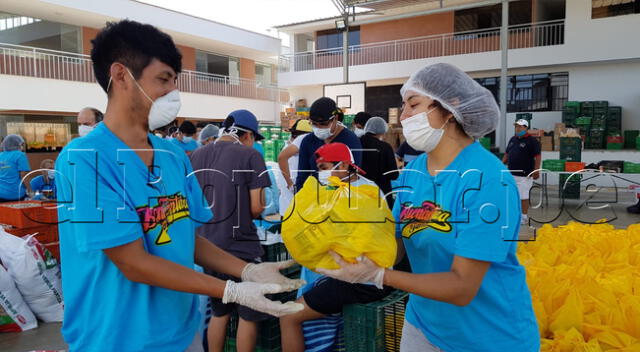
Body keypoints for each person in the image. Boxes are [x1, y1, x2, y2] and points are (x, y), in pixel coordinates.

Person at [54, 20, 303, 352]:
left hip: (181, 332)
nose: (172, 93)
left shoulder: (173, 156)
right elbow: (132, 262)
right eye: (162, 79)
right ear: (121, 74)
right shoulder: (84, 159)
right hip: (116, 339)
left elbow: (188, 236)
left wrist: (246, 271)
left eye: (175, 81)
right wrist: (230, 291)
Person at [316, 63, 539, 352]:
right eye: (403, 106)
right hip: (423, 325)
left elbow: (462, 287)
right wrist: (354, 246)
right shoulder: (413, 172)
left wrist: (380, 276)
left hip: (487, 336)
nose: (404, 115)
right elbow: (396, 241)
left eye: (413, 104)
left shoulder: (488, 179)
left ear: (450, 108)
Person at [190, 109, 302, 352]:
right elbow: (255, 207)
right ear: (248, 135)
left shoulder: (196, 156)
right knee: (248, 315)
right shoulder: (250, 155)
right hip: (240, 246)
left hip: (206, 246)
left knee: (220, 313)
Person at [280, 142, 390, 352]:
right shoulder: (362, 186)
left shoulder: (358, 195)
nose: (321, 173)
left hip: (359, 279)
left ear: (344, 166)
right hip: (358, 275)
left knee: (288, 316)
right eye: (320, 169)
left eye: (325, 167)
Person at [295, 97, 362, 191]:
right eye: (314, 124)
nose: (319, 128)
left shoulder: (351, 141)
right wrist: (299, 201)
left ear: (335, 118)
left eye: (323, 124)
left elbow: (353, 177)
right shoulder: (308, 141)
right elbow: (302, 177)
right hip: (315, 198)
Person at [502, 119, 541, 225]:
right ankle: (515, 215)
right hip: (511, 174)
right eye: (516, 126)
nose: (517, 128)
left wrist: (536, 170)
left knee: (523, 196)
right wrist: (501, 165)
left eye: (520, 126)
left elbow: (537, 156)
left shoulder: (532, 141)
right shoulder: (512, 139)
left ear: (526, 128)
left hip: (525, 175)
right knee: (513, 195)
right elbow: (506, 154)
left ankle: (524, 217)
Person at [359, 116, 399, 207]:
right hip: (382, 194)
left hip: (360, 193)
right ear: (382, 130)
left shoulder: (357, 143)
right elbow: (394, 175)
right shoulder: (385, 147)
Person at [276, 119, 312, 216]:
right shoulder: (297, 149)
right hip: (295, 208)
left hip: (287, 207)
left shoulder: (287, 148)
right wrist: (290, 184)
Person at [0, 134, 32, 201]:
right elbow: (24, 175)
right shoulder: (20, 155)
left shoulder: (1, 155)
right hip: (15, 194)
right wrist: (30, 191)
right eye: (21, 144)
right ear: (18, 144)